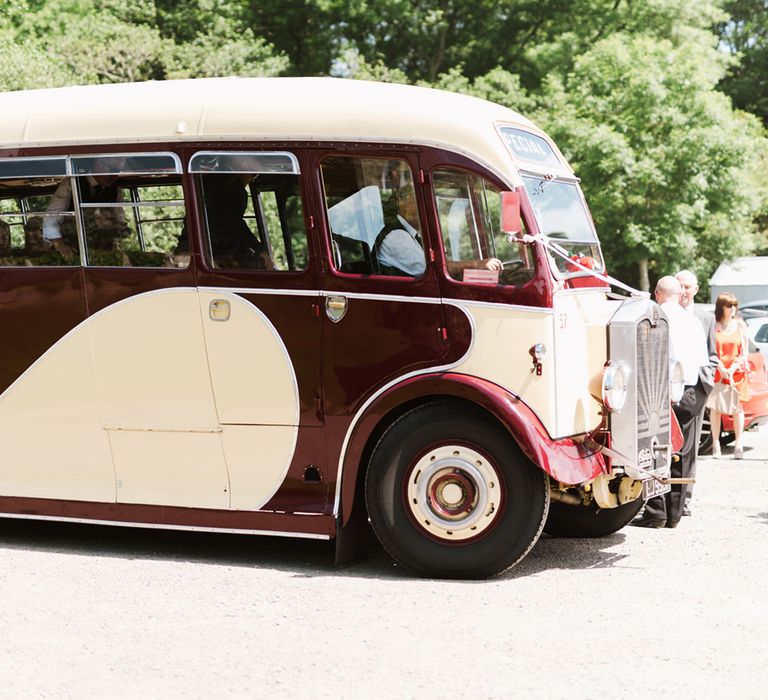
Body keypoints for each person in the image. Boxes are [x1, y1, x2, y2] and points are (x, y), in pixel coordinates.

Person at [632, 275, 709, 528]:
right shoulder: (694, 320)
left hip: (664, 391)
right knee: (684, 452)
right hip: (692, 389)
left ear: (656, 293)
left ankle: (656, 510)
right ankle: (675, 513)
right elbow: (700, 361)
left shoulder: (654, 317)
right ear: (678, 294)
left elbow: (650, 359)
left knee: (656, 448)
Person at [675, 269, 717, 515]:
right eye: (679, 285)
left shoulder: (705, 317)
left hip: (695, 390)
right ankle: (661, 501)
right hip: (667, 390)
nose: (683, 291)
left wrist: (705, 384)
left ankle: (685, 499)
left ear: (696, 290)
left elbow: (713, 355)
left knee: (690, 447)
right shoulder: (664, 313)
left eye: (687, 287)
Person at [43, 157, 127, 259]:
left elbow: (119, 219)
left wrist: (117, 242)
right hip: (71, 249)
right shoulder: (71, 182)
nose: (115, 177)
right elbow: (52, 216)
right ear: (98, 165)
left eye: (117, 172)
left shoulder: (116, 191)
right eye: (113, 170)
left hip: (101, 251)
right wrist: (59, 244)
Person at [706, 292, 749, 459]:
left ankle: (739, 444)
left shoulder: (740, 325)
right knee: (716, 409)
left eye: (734, 305)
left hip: (736, 373)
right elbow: (710, 350)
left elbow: (744, 351)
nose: (732, 309)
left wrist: (732, 369)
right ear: (721, 307)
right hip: (717, 372)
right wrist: (722, 368)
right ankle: (715, 443)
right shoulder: (713, 325)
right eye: (729, 305)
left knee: (737, 408)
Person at [202, 172, 273, 270]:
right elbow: (235, 224)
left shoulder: (209, 189)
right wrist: (259, 250)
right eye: (252, 175)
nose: (252, 180)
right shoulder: (235, 190)